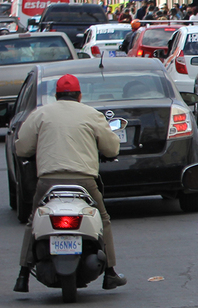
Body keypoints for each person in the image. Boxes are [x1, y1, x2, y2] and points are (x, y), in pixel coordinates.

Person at [13, 75, 124, 293]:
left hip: (48, 182)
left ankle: (23, 275)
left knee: (32, 221)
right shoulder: (91, 114)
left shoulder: (41, 114)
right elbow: (112, 149)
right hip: (84, 182)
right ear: (79, 95)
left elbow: (22, 148)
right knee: (103, 220)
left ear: (57, 95)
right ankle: (110, 273)